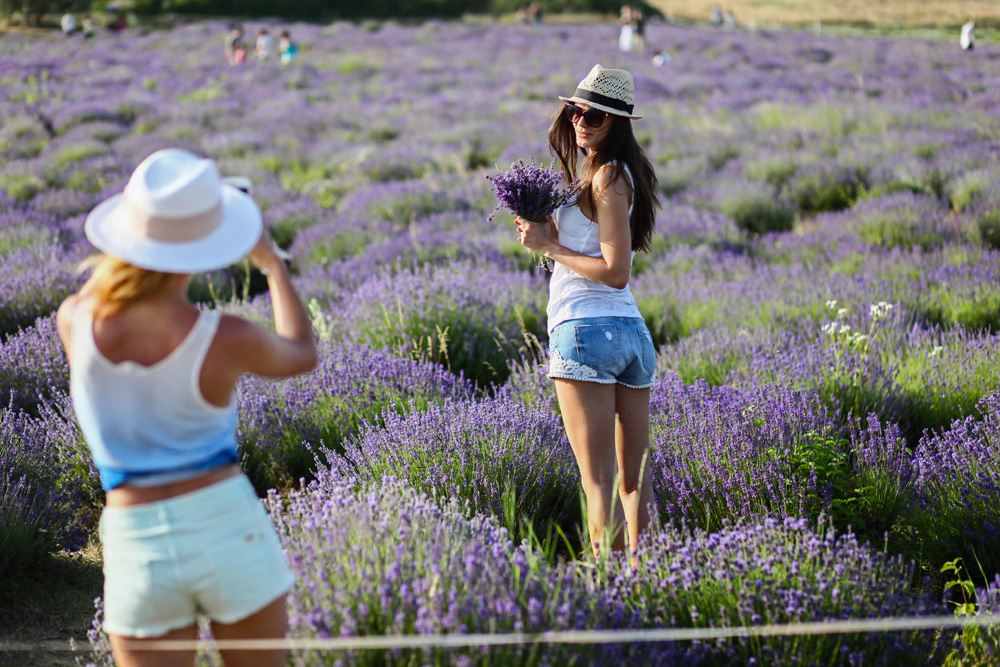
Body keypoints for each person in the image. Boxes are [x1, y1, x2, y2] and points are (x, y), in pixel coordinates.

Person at [56, 148, 318, 667]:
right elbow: (302, 354)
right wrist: (270, 263)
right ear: (208, 245)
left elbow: (104, 289)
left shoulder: (74, 321)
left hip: (136, 542)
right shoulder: (223, 337)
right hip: (228, 528)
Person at [516, 65, 660, 561]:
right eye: (576, 111)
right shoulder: (609, 175)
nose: (581, 121)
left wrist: (547, 247)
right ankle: (653, 583)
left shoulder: (607, 177)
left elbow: (616, 271)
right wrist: (546, 234)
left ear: (618, 122)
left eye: (594, 116)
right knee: (634, 479)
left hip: (584, 331)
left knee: (599, 480)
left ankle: (613, 592)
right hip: (629, 335)